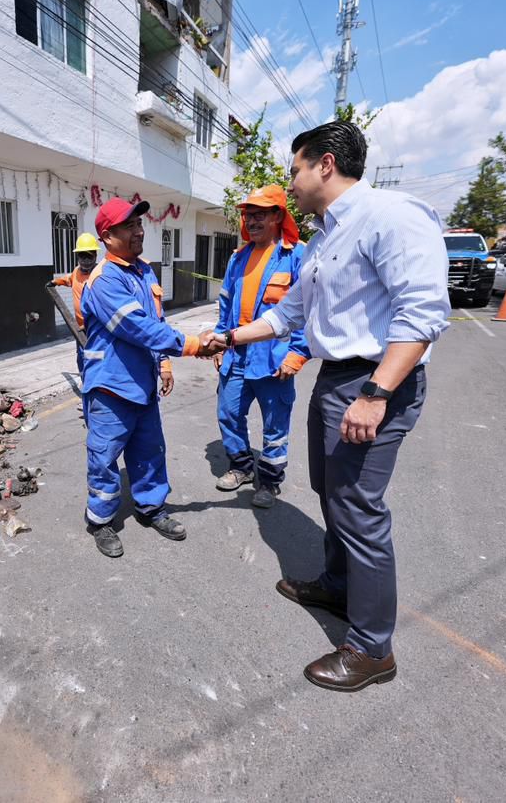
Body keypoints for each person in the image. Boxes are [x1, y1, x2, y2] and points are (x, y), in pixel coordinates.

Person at [200, 121, 450, 692]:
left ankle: (371, 648)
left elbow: (423, 312)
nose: (290, 184)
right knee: (330, 492)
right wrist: (231, 338)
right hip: (337, 377)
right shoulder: (321, 239)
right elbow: (290, 317)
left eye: (295, 170)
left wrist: (377, 392)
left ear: (326, 164)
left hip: (373, 380)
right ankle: (339, 584)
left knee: (359, 508)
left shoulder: (392, 216)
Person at [80, 197, 206, 558]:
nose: (139, 231)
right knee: (104, 456)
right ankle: (100, 519)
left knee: (149, 452)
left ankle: (150, 508)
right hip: (110, 386)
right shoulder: (104, 281)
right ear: (107, 235)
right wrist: (194, 345)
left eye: (139, 224)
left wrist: (164, 364)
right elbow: (136, 328)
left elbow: (156, 323)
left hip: (143, 382)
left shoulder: (145, 271)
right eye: (129, 226)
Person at [212, 185, 310, 509]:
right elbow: (225, 306)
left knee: (275, 422)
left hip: (274, 358)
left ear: (277, 216)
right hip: (237, 354)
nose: (251, 221)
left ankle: (268, 479)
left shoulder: (297, 255)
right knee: (228, 411)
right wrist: (218, 342)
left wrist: (298, 353)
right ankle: (240, 465)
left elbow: (307, 311)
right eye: (248, 214)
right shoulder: (237, 259)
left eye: (259, 214)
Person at [50, 232, 101, 375]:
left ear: (95, 256)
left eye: (88, 256)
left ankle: (96, 382)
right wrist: (56, 282)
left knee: (95, 355)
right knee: (81, 356)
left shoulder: (100, 274)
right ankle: (85, 379)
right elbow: (68, 279)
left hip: (96, 327)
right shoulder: (76, 272)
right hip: (79, 327)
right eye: (81, 256)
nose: (85, 260)